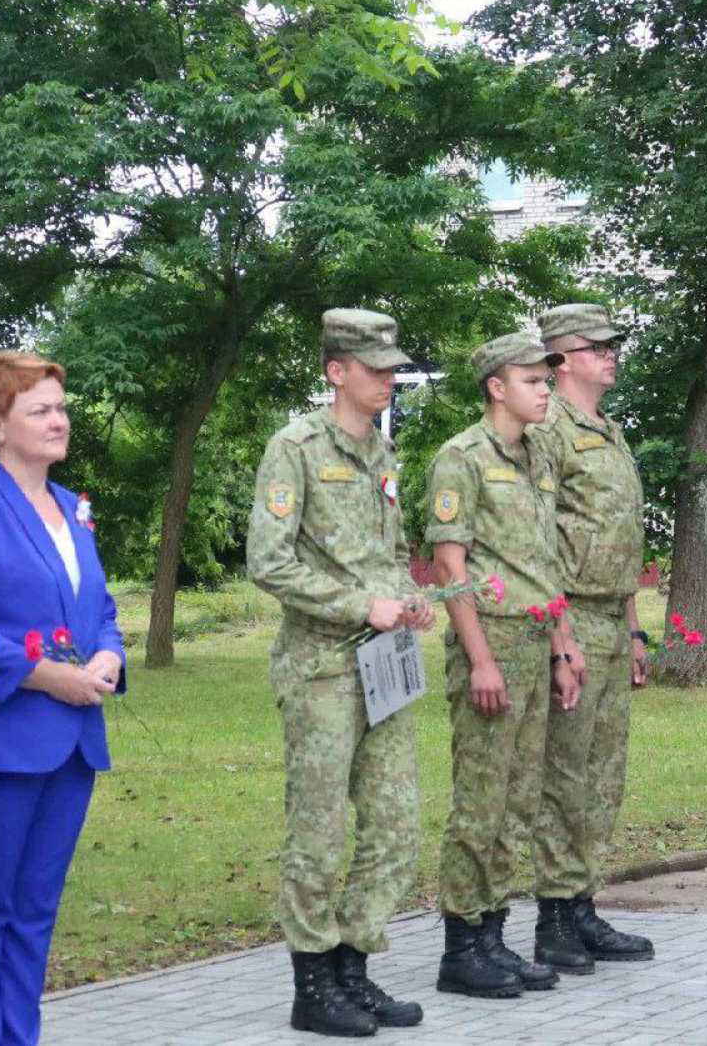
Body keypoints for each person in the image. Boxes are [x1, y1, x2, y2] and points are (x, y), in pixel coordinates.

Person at [247, 308, 436, 1038]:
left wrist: (408, 600)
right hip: (322, 667)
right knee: (318, 830)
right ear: (337, 371)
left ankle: (354, 967)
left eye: (393, 368)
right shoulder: (294, 448)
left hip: (383, 665)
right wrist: (364, 602)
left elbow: (387, 556)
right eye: (376, 368)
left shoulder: (384, 457)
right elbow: (270, 561)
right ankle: (312, 981)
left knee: (395, 823)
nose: (389, 379)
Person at [0, 351, 126, 1046]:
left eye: (61, 407)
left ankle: (18, 1036)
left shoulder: (73, 508)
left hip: (74, 744)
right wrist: (44, 675)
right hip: (5, 741)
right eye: (40, 410)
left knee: (37, 911)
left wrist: (111, 653)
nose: (59, 421)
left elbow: (101, 608)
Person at [425, 330, 579, 997]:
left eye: (547, 381)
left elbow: (541, 563)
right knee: (481, 801)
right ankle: (462, 945)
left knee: (518, 801)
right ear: (497, 387)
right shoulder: (460, 458)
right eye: (534, 381)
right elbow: (449, 567)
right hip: (490, 642)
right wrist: (481, 661)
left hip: (535, 637)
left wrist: (563, 644)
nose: (546, 391)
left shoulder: (537, 454)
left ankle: (493, 934)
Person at [528, 303, 655, 970]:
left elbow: (620, 536)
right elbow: (540, 540)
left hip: (611, 615)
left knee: (604, 771)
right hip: (571, 614)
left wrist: (635, 631)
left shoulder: (608, 430)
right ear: (560, 358)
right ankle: (553, 916)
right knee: (565, 771)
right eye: (597, 345)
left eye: (614, 344)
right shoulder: (546, 429)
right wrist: (560, 637)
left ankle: (583, 906)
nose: (611, 354)